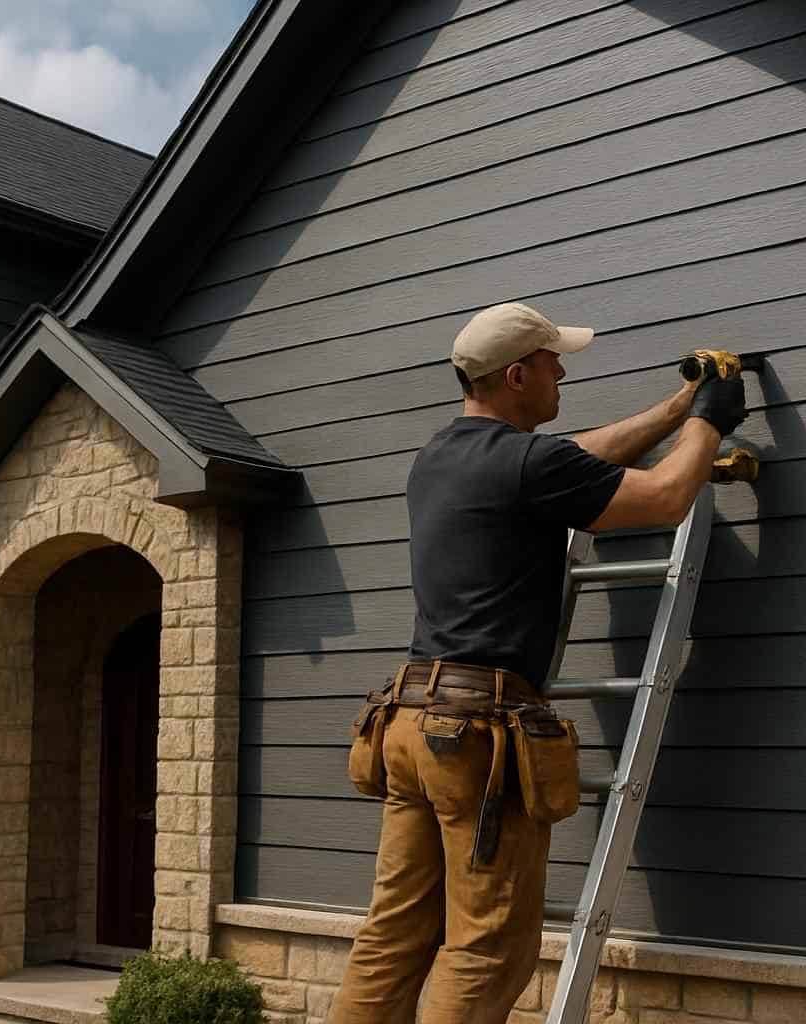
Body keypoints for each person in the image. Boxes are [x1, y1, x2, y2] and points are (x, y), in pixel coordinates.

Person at [327, 302, 749, 1024]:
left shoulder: (438, 459)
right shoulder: (529, 464)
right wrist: (712, 416)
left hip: (406, 724)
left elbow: (579, 455)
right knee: (486, 947)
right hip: (476, 738)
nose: (562, 375)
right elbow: (667, 496)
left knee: (393, 934)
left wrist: (679, 406)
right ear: (517, 375)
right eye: (555, 363)